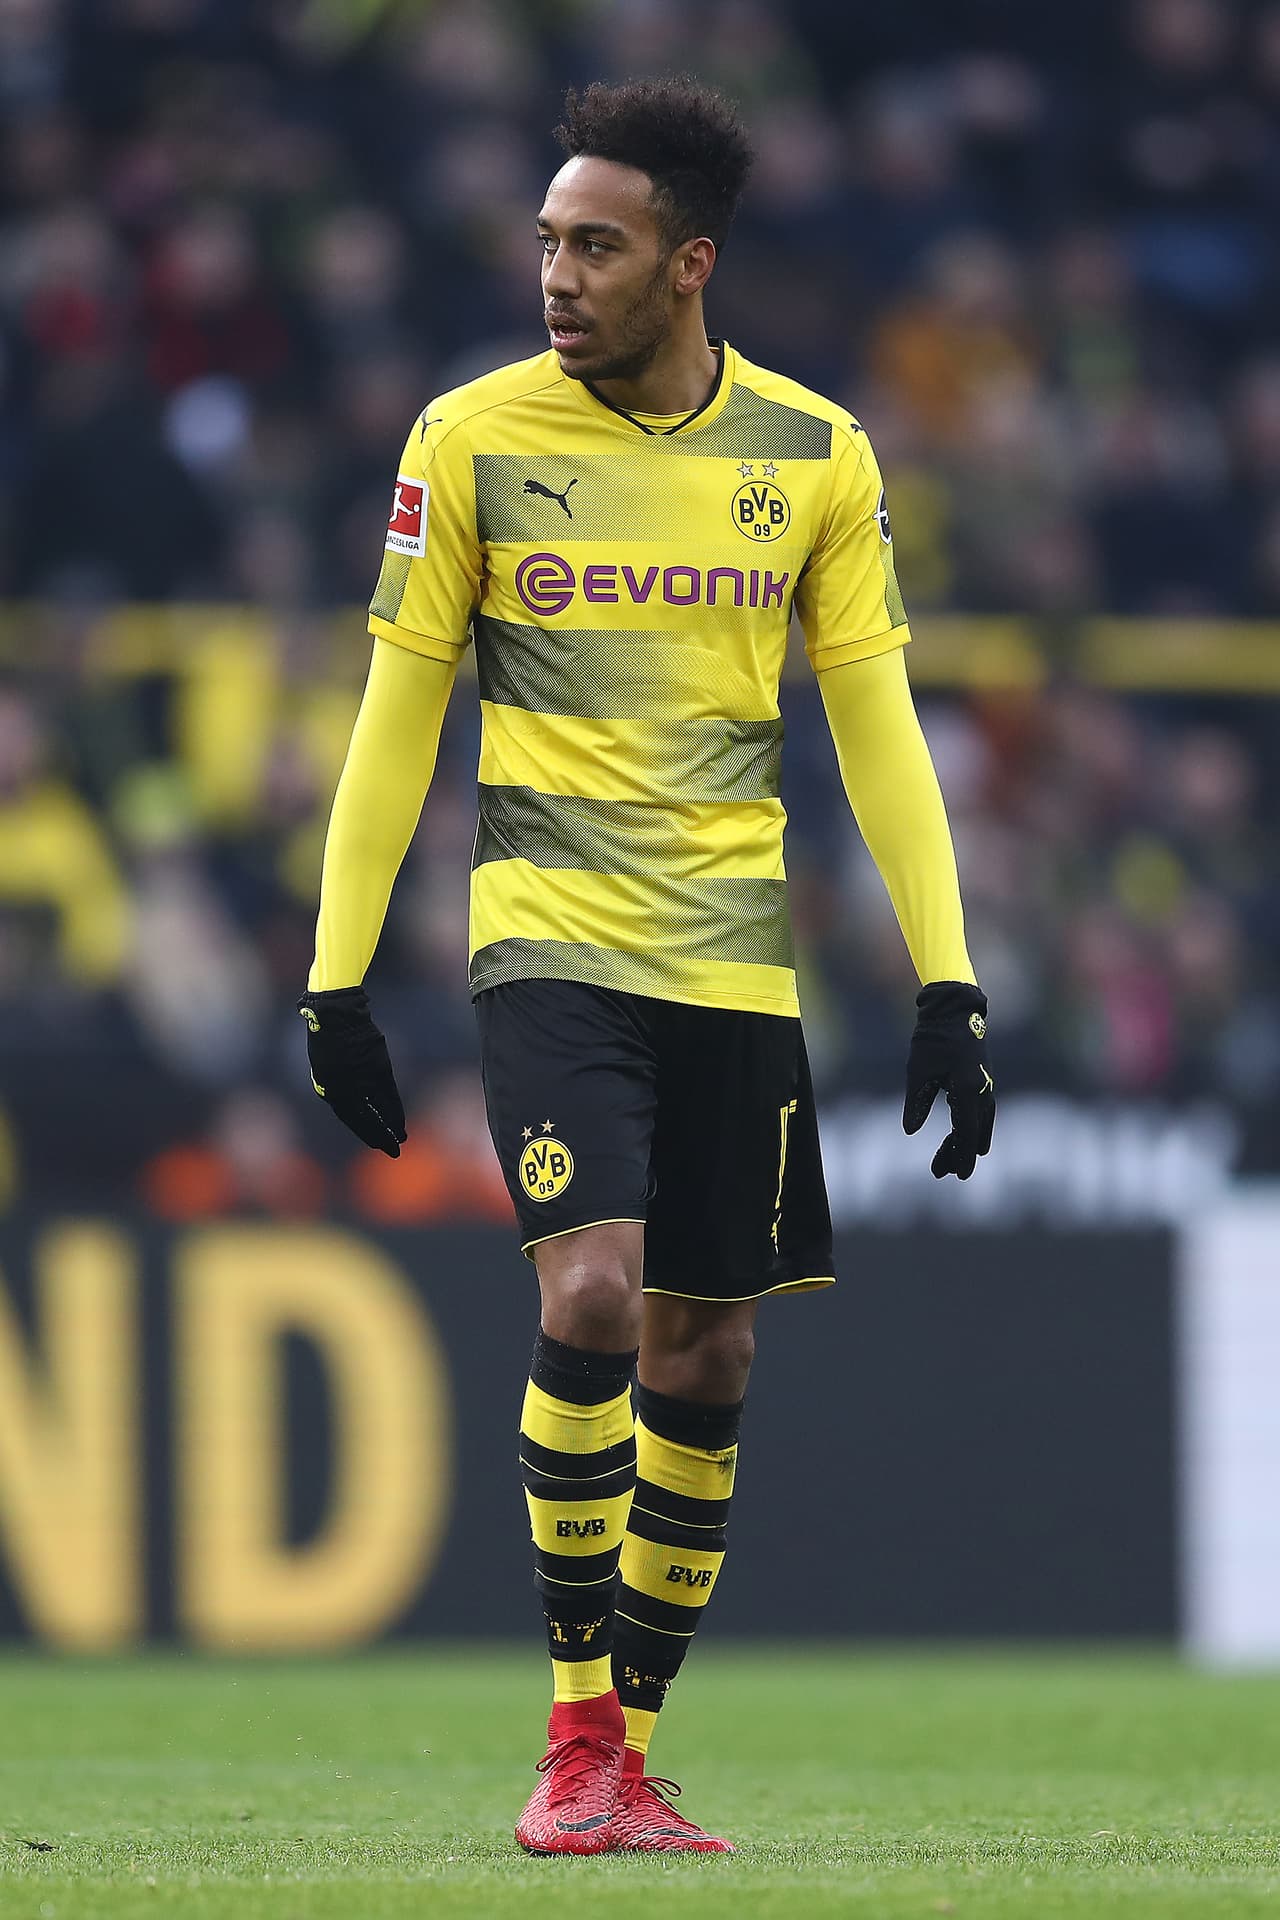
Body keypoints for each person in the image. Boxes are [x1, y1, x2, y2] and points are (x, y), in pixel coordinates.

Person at [298, 76, 995, 1858]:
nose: (555, 274)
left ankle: (624, 1748)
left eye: (593, 246)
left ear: (689, 265)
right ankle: (571, 1738)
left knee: (711, 1351)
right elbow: (396, 725)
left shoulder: (817, 457)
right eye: (544, 241)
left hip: (736, 966)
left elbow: (882, 732)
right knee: (593, 1296)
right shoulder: (466, 439)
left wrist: (948, 981)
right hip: (550, 944)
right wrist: (337, 976)